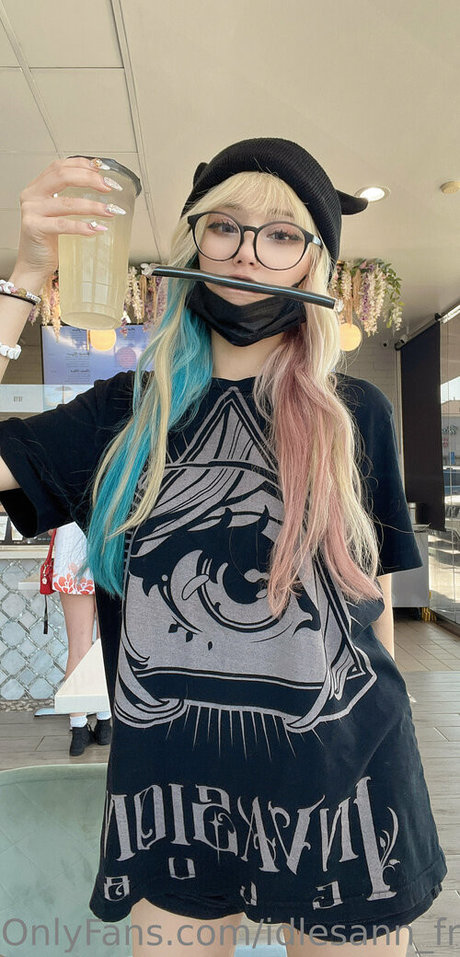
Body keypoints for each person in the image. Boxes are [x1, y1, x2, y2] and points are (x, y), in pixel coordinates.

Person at [0, 140, 447, 956]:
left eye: (281, 235)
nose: (247, 251)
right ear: (195, 244)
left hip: (348, 796)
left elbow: (369, 600)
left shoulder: (356, 413)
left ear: (313, 262)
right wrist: (25, 277)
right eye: (224, 226)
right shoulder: (126, 415)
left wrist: (395, 724)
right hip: (171, 805)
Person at [50, 522, 112, 756]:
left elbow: (49, 525)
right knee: (108, 646)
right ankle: (105, 723)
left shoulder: (63, 494)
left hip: (71, 556)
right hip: (110, 555)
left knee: (78, 648)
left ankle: (78, 730)